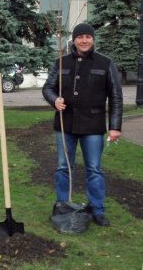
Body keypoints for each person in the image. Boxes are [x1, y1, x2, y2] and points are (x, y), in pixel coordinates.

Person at [42, 23, 123, 227]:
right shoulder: (61, 62)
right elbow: (48, 87)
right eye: (80, 37)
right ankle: (63, 205)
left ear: (93, 39)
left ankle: (97, 209)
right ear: (74, 40)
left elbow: (116, 96)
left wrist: (114, 126)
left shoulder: (106, 63)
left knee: (94, 169)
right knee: (63, 167)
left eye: (88, 36)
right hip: (65, 124)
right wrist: (54, 100)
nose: (84, 40)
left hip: (93, 126)